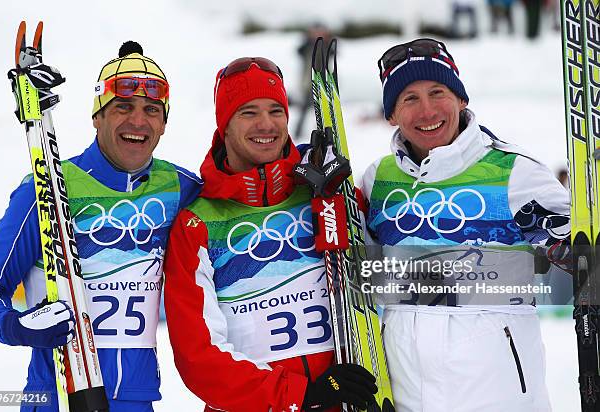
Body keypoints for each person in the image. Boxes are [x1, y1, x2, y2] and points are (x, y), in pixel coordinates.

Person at [0, 41, 202, 412]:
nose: (138, 121)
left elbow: (243, 199)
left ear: (164, 124)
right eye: (122, 107)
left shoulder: (181, 189)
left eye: (152, 110)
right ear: (97, 117)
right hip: (56, 395)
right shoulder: (47, 188)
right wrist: (15, 326)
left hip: (137, 399)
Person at [363, 38, 570, 411]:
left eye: (437, 92)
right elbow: (355, 269)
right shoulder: (379, 180)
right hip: (407, 390)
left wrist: (572, 250)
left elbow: (581, 257)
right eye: (409, 98)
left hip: (497, 392)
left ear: (461, 99)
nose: (427, 111)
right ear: (391, 115)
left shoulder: (513, 172)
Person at [164, 57, 377, 411]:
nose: (266, 124)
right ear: (225, 125)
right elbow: (197, 356)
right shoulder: (198, 224)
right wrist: (301, 395)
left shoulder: (322, 190)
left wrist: (338, 202)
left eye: (276, 110)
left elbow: (379, 279)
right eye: (248, 112)